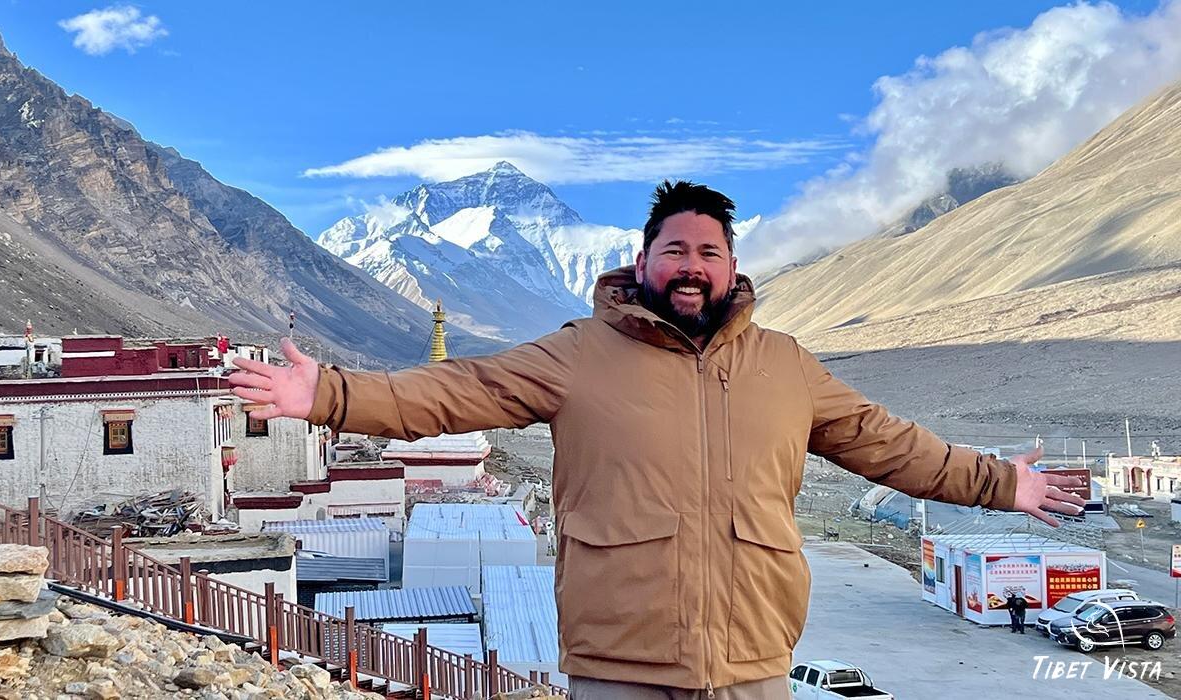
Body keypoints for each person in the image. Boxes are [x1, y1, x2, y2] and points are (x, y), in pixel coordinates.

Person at [229, 180, 1085, 700]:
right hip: (619, 663)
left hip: (753, 658)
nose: (691, 265)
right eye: (673, 248)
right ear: (641, 263)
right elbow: (461, 391)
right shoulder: (575, 354)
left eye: (708, 251)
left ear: (732, 268)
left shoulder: (787, 367)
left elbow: (886, 444)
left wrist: (1000, 484)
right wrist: (330, 394)